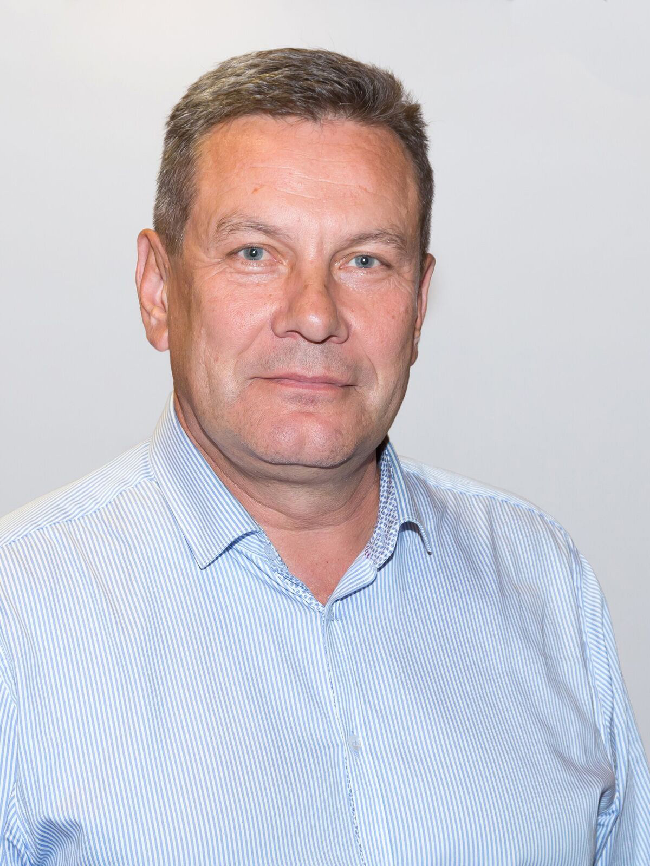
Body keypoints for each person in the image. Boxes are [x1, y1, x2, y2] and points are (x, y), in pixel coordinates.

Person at [0, 47, 648, 866]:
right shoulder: (19, 616)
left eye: (366, 261)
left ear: (418, 305)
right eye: (254, 253)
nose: (314, 315)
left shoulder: (541, 580)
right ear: (158, 289)